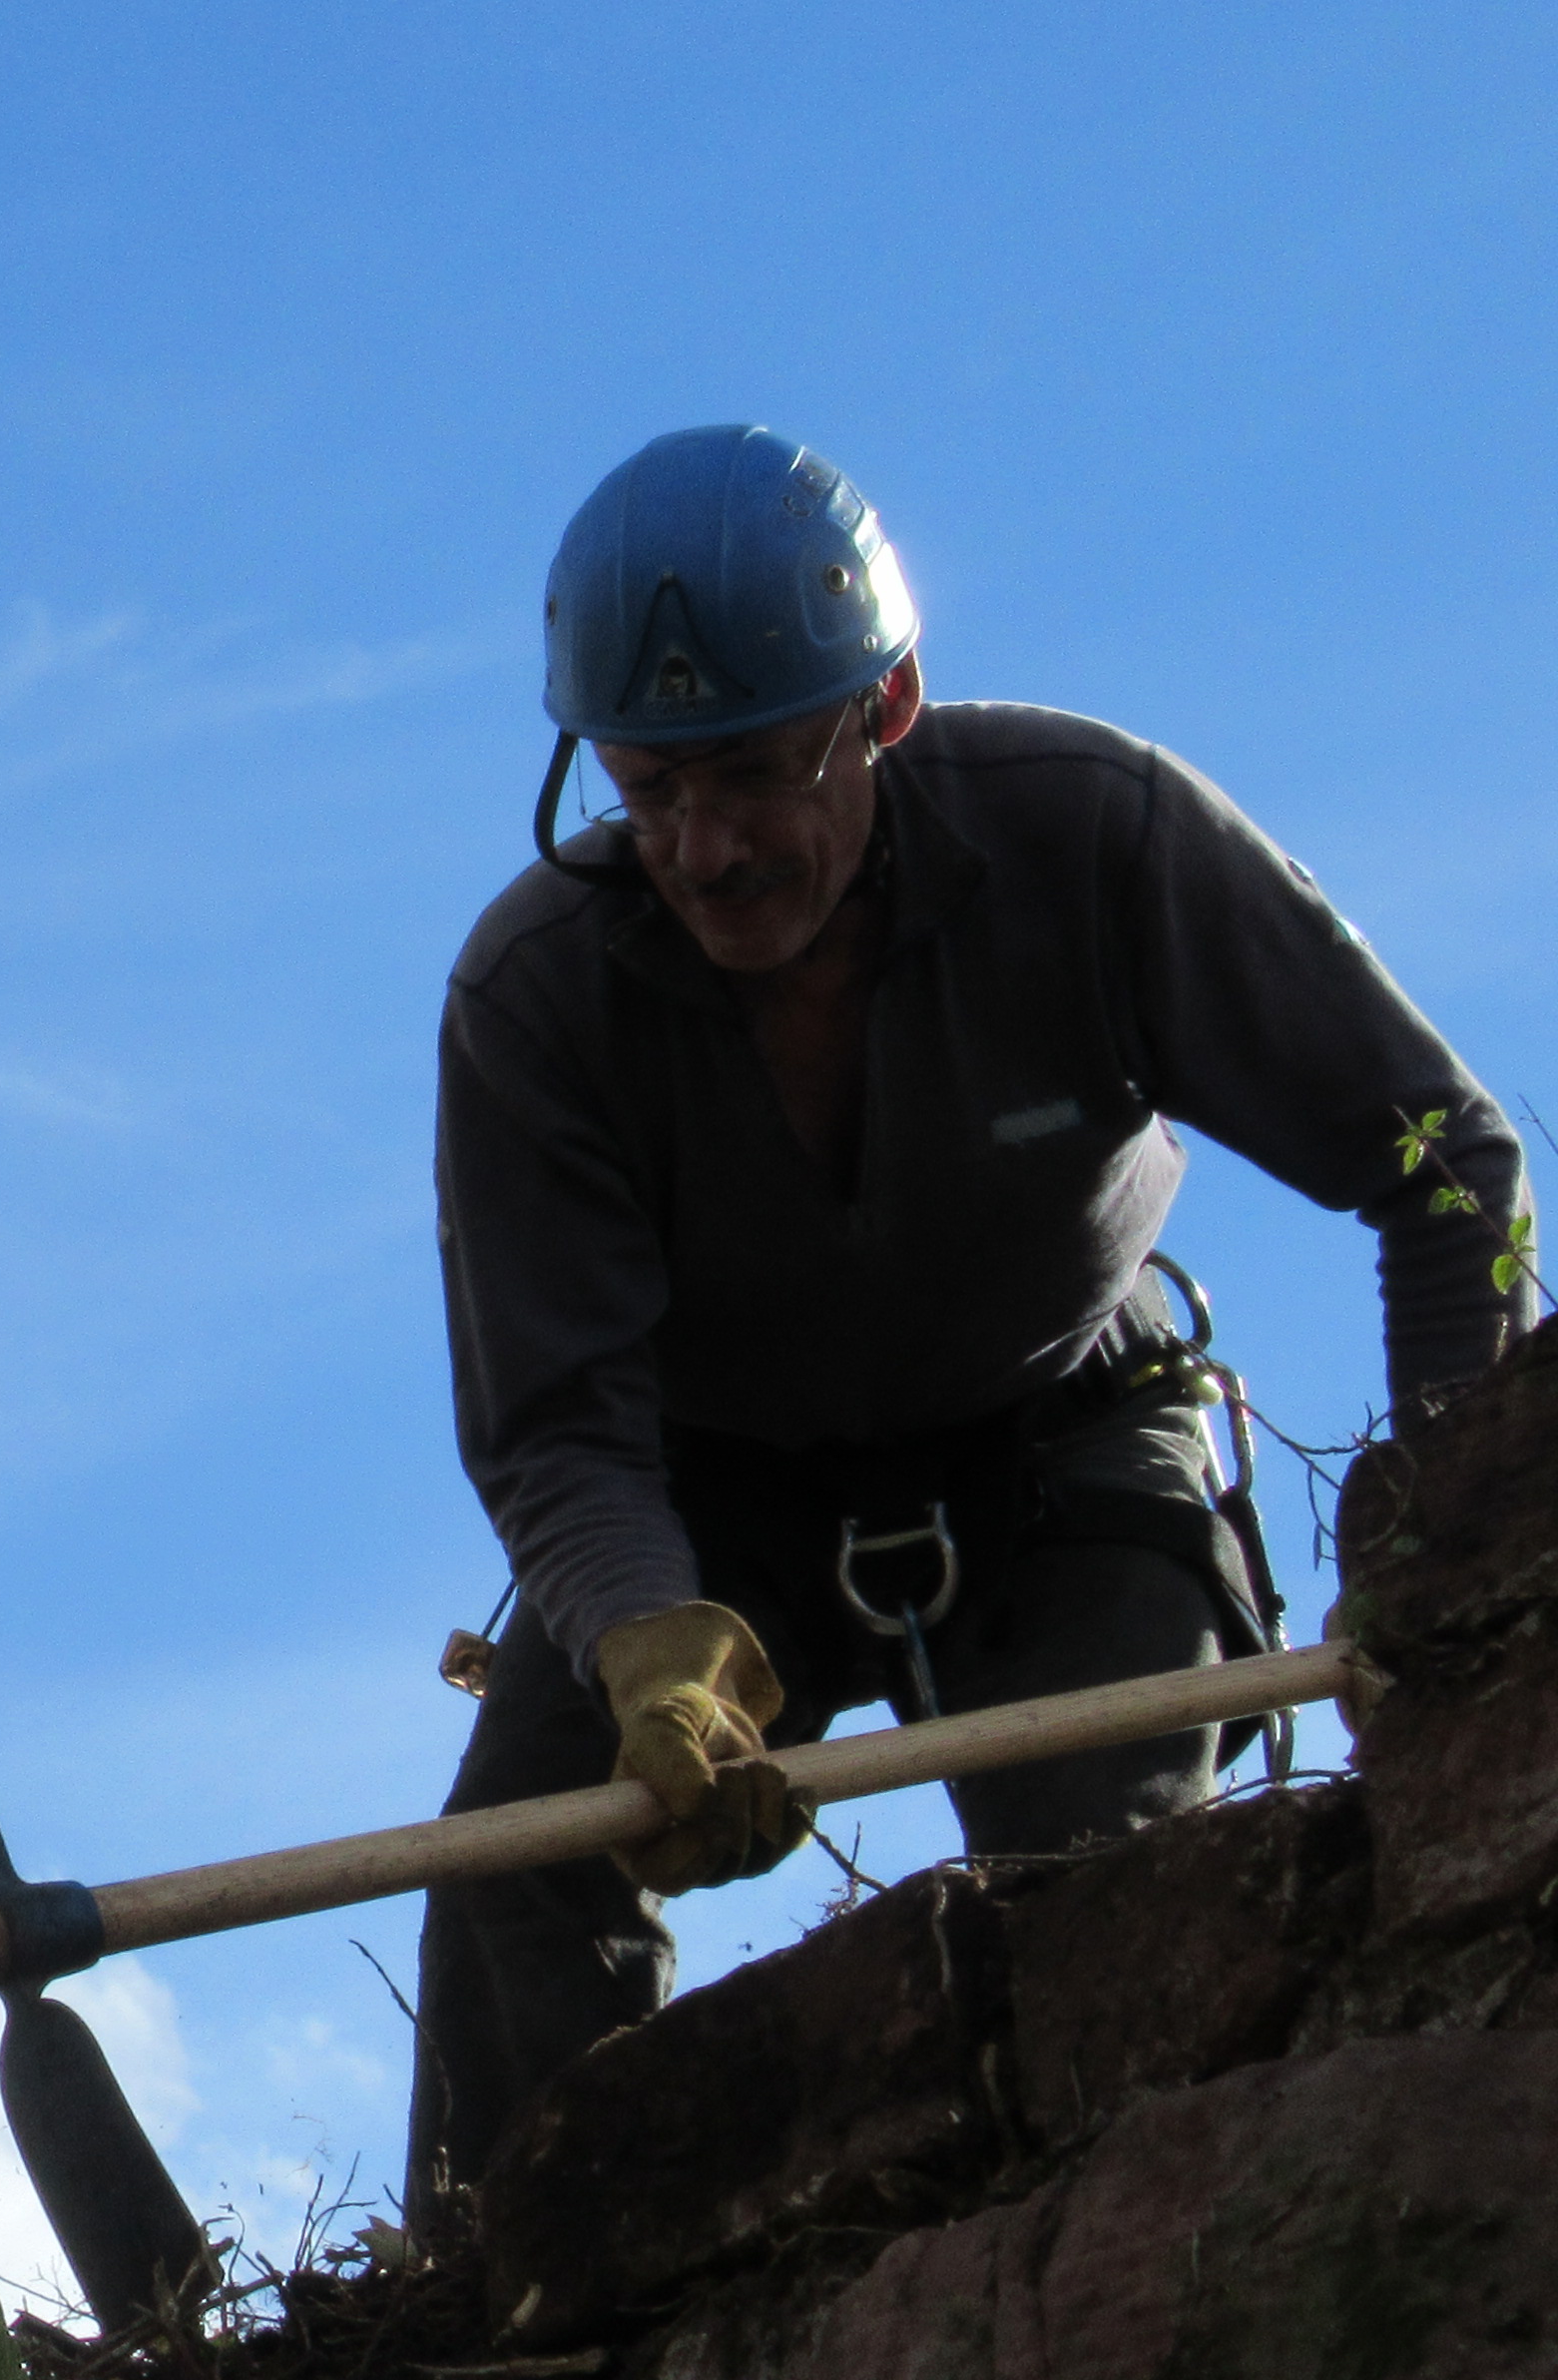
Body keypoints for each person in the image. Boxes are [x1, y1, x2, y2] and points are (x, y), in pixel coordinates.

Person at [412, 424, 1531, 2210]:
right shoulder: (533, 997)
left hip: (1066, 1452)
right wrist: (641, 1640)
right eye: (649, 788)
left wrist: (1466, 1527)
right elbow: (559, 1425)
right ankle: (509, 2305)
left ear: (887, 706)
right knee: (516, 1877)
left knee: (1115, 1925)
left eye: (755, 774)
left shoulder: (1095, 838)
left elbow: (1442, 1162)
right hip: (708, 1513)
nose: (703, 849)